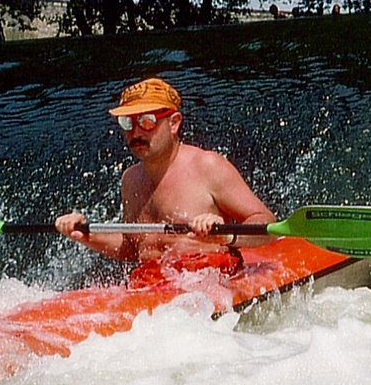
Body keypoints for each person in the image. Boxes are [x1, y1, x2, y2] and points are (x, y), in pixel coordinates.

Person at [54, 77, 275, 282]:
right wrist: (83, 234)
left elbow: (266, 222)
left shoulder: (207, 166)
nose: (136, 132)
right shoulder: (130, 179)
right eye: (127, 123)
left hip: (208, 281)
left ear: (174, 123)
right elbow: (133, 247)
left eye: (146, 121)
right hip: (152, 284)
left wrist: (225, 235)